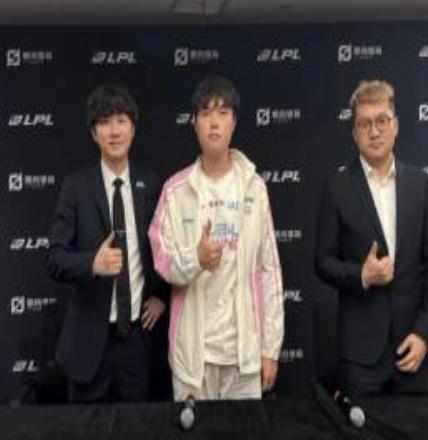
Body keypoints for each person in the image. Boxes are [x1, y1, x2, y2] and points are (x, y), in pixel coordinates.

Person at [148, 74, 284, 401]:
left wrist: (270, 348)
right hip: (193, 359)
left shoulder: (254, 188)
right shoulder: (175, 191)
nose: (214, 123)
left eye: (223, 113)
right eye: (206, 113)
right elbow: (163, 263)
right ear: (194, 123)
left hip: (244, 357)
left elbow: (270, 271)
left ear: (234, 122)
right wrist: (195, 259)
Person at [315, 80, 428, 396]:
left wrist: (424, 334)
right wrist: (362, 274)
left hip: (411, 348)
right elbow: (322, 262)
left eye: (382, 121)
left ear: (395, 126)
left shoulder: (419, 183)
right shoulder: (337, 188)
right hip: (359, 357)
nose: (374, 131)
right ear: (354, 132)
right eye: (364, 124)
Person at [46, 84, 168, 403]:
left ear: (133, 129)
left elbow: (166, 250)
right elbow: (54, 258)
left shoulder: (151, 184)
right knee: (87, 425)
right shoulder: (75, 186)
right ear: (93, 132)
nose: (114, 131)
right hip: (89, 345)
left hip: (136, 343)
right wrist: (92, 264)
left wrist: (161, 295)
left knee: (136, 425)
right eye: (104, 122)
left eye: (121, 120)